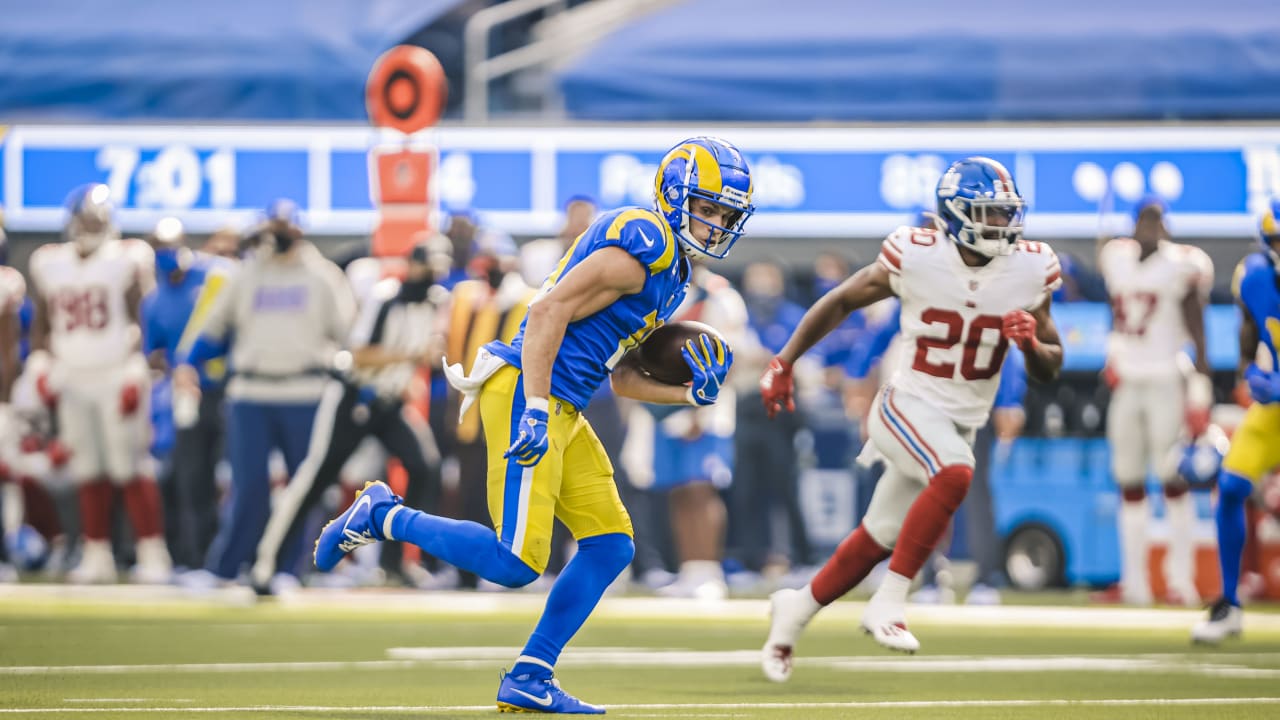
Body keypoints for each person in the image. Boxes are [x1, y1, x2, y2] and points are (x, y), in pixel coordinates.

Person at [312, 136, 753, 713]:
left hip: (565, 401)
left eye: (725, 215)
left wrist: (686, 392)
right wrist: (538, 407)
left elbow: (620, 376)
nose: (716, 223)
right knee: (517, 562)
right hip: (530, 388)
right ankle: (385, 515)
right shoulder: (640, 246)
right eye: (708, 207)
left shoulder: (672, 274)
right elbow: (546, 311)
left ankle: (530, 675)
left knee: (610, 545)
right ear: (673, 196)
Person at [759, 157, 1063, 676]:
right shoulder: (918, 256)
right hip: (906, 404)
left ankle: (795, 612)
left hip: (960, 417)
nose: (1001, 225)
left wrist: (1031, 344)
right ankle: (892, 601)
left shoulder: (1029, 268)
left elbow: (1050, 365)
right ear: (957, 214)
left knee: (876, 536)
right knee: (956, 471)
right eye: (989, 214)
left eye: (1005, 213)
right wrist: (785, 361)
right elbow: (841, 301)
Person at [248, 240, 447, 591]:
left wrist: (406, 375)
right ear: (411, 266)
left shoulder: (433, 303)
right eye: (426, 267)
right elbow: (359, 355)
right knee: (314, 480)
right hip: (354, 398)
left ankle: (396, 563)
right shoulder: (386, 298)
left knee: (424, 465)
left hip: (388, 402)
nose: (431, 275)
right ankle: (266, 565)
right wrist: (410, 357)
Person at [175, 199, 355, 587]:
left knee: (302, 489)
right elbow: (212, 330)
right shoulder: (247, 274)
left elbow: (349, 334)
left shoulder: (322, 276)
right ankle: (225, 568)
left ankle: (290, 568)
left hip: (305, 389)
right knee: (248, 485)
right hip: (250, 391)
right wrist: (188, 363)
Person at [28, 184, 172, 584]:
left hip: (115, 371)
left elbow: (145, 318)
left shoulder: (127, 258)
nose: (92, 227)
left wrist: (135, 369)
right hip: (71, 375)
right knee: (87, 468)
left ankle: (152, 553)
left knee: (130, 466)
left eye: (98, 220)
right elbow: (42, 322)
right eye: (87, 219)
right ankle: (96, 553)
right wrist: (42, 364)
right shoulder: (49, 262)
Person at [1096, 195, 1214, 606]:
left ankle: (1181, 582)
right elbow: (1116, 312)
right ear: (1134, 225)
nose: (1150, 229)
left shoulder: (1182, 264)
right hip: (1127, 379)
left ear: (1165, 227)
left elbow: (1197, 325)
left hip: (1166, 377)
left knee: (1173, 480)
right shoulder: (1117, 257)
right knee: (1128, 481)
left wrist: (1201, 388)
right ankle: (1136, 583)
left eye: (1156, 222)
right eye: (1144, 221)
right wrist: (1112, 351)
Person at [1191, 198, 1280, 643]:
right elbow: (1248, 338)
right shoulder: (1256, 277)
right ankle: (1229, 604)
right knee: (1230, 487)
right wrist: (1254, 373)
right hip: (1275, 411)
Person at [640, 264, 748, 599]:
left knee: (701, 489)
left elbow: (729, 357)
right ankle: (690, 569)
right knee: (677, 490)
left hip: (705, 409)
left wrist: (701, 411)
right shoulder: (660, 294)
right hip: (665, 407)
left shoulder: (718, 295)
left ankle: (709, 571)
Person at [140, 217, 235, 571]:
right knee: (191, 475)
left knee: (235, 475)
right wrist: (177, 369)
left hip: (227, 386)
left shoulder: (215, 277)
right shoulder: (154, 300)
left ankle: (230, 555)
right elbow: (154, 353)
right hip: (187, 394)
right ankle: (195, 557)